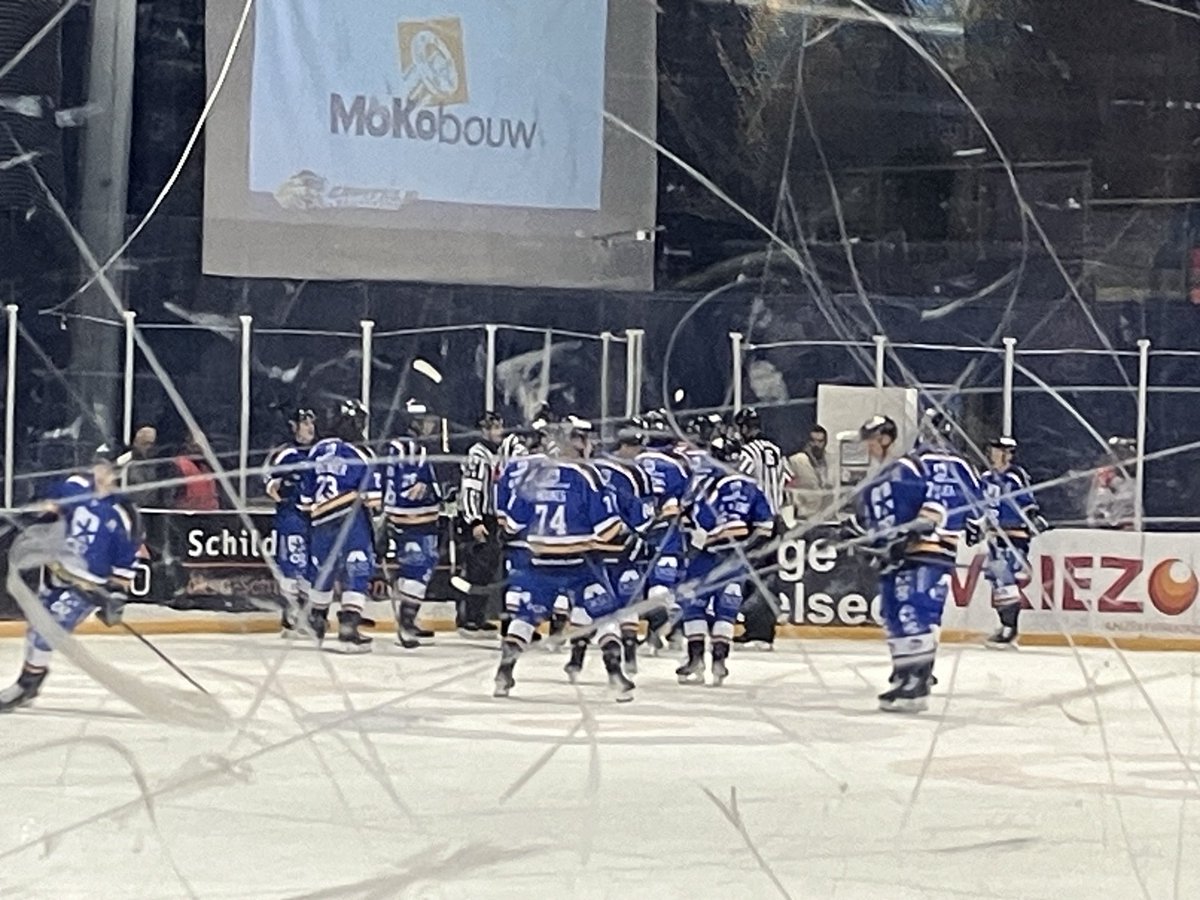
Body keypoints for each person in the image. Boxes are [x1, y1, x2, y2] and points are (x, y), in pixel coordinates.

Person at [850, 412, 983, 713]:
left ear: (885, 439)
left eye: (872, 440)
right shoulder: (874, 481)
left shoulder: (908, 467)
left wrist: (917, 528)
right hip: (893, 560)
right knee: (893, 615)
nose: (868, 447)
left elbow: (934, 506)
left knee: (916, 609)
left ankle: (919, 681)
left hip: (926, 551)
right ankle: (904, 675)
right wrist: (866, 540)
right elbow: (874, 524)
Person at [493, 426, 632, 701]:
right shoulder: (587, 476)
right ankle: (616, 675)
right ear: (575, 446)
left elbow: (511, 525)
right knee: (605, 615)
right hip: (580, 563)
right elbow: (609, 530)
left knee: (524, 618)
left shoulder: (534, 477)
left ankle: (503, 674)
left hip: (540, 561)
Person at [0, 445, 140, 712]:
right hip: (58, 572)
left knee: (45, 629)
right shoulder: (74, 486)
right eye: (97, 464)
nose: (99, 470)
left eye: (106, 466)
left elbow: (125, 562)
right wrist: (39, 513)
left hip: (86, 587)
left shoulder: (124, 512)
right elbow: (51, 506)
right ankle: (31, 682)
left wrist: (115, 597)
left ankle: (26, 685)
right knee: (37, 627)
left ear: (117, 471)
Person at [677, 433, 775, 687]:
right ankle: (719, 661)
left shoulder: (705, 484)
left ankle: (695, 660)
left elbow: (687, 517)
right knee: (726, 610)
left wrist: (697, 541)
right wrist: (746, 548)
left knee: (694, 605)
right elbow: (765, 527)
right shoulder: (751, 486)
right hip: (735, 559)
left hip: (706, 556)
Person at [300, 400, 380, 653]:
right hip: (350, 518)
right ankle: (348, 631)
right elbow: (374, 500)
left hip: (321, 519)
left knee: (323, 571)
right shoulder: (362, 453)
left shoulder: (317, 450)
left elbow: (305, 498)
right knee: (357, 569)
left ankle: (316, 623)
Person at [585, 419, 655, 677]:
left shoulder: (591, 468)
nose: (637, 451)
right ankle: (626, 656)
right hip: (622, 546)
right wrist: (640, 533)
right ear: (623, 445)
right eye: (634, 445)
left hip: (593, 546)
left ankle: (579, 657)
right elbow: (645, 516)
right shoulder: (635, 474)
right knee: (628, 600)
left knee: (600, 601)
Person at [383, 400, 443, 648]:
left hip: (421, 521)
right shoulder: (402, 449)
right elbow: (396, 486)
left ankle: (409, 620)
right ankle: (406, 624)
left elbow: (433, 486)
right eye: (426, 420)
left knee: (420, 570)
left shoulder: (416, 448)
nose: (431, 425)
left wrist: (432, 490)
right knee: (417, 569)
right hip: (410, 522)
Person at [981, 436, 1046, 648]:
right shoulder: (985, 478)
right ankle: (1005, 624)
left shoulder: (1015, 476)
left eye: (1001, 450)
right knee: (997, 580)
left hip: (1013, 535)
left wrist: (1032, 517)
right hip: (993, 535)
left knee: (1004, 577)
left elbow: (1028, 502)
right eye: (994, 449)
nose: (995, 453)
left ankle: (1010, 628)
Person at [635, 411, 692, 651]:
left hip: (637, 535)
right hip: (667, 535)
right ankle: (673, 633)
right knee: (667, 585)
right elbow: (680, 506)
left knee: (649, 588)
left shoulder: (632, 463)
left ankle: (656, 634)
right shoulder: (677, 467)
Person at [264, 407, 316, 637]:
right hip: (291, 519)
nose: (310, 427)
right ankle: (290, 616)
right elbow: (268, 480)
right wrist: (277, 491)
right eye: (305, 423)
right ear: (294, 426)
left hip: (314, 519)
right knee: (292, 565)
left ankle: (305, 614)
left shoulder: (318, 452)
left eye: (312, 423)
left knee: (310, 569)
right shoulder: (286, 453)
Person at [455, 411, 505, 635]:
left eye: (499, 427)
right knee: (476, 570)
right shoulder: (477, 455)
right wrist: (474, 520)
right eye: (494, 428)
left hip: (491, 519)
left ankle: (478, 615)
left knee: (486, 571)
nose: (499, 432)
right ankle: (467, 618)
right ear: (483, 431)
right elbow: (470, 490)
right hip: (479, 520)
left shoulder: (494, 454)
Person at [733, 407, 790, 515]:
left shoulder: (748, 451)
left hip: (758, 515)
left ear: (744, 428)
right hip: (777, 514)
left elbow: (739, 480)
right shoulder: (776, 449)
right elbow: (789, 480)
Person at [1086, 436, 1137, 529]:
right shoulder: (1103, 476)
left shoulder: (1130, 482)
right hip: (1107, 530)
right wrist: (1103, 486)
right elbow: (1094, 514)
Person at [786, 424, 831, 523]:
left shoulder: (830, 461)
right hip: (802, 517)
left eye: (820, 441)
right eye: (812, 440)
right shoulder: (797, 461)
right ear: (807, 442)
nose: (816, 444)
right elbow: (788, 488)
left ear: (825, 442)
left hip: (825, 518)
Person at [120, 423, 168, 508]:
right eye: (146, 443)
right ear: (136, 443)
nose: (150, 447)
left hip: (157, 512)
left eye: (153, 444)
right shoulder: (124, 464)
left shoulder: (161, 464)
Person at [172, 429, 220, 511]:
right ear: (187, 444)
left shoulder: (206, 468)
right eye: (196, 446)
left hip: (210, 517)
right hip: (185, 517)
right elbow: (171, 499)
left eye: (203, 446)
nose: (200, 449)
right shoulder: (176, 466)